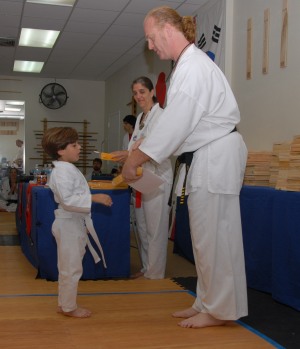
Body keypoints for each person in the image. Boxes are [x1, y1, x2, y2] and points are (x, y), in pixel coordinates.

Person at [121, 6, 248, 328]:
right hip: (205, 156)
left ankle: (219, 310)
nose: (150, 46)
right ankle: (206, 300)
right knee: (205, 238)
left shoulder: (193, 68)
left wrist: (136, 159)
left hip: (214, 156)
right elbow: (178, 129)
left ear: (166, 29)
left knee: (215, 237)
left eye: (151, 38)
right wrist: (141, 147)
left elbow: (175, 126)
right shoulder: (187, 66)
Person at [42, 127, 113, 318]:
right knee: (71, 268)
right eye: (74, 145)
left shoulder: (66, 169)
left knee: (68, 266)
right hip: (68, 224)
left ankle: (64, 303)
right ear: (61, 151)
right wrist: (95, 198)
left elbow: (73, 195)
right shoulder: (62, 172)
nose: (79, 147)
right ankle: (69, 307)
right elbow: (68, 200)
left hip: (72, 224)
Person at [111, 76, 173, 279]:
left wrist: (133, 154)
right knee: (143, 225)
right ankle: (147, 267)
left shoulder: (162, 115)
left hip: (158, 176)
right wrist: (124, 154)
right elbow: (135, 147)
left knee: (156, 228)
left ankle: (155, 273)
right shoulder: (140, 118)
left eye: (142, 92)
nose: (139, 96)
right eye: (135, 93)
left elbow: (155, 146)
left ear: (152, 92)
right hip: (141, 176)